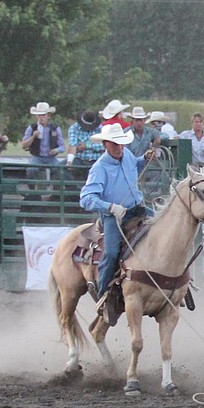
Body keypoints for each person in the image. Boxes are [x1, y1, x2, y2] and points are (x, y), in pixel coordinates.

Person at [79, 123, 146, 303]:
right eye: (115, 144)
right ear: (105, 145)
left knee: (165, 227)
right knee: (111, 253)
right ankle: (104, 296)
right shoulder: (99, 168)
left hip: (137, 208)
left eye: (121, 143)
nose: (119, 147)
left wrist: (145, 159)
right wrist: (110, 207)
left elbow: (136, 165)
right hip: (114, 217)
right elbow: (86, 198)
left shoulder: (127, 155)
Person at [21, 101, 69, 181]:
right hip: (37, 157)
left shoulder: (55, 128)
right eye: (39, 115)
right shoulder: (32, 128)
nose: (41, 117)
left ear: (48, 116)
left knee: (60, 171)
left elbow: (62, 147)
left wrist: (56, 150)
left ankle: (56, 191)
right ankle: (33, 190)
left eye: (43, 115)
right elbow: (24, 146)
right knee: (31, 170)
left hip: (51, 158)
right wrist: (33, 136)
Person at [125, 106, 160, 171]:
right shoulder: (126, 133)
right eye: (137, 120)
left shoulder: (149, 131)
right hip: (131, 167)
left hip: (146, 168)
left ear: (144, 121)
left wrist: (155, 144)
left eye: (141, 120)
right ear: (132, 121)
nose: (139, 123)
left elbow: (163, 135)